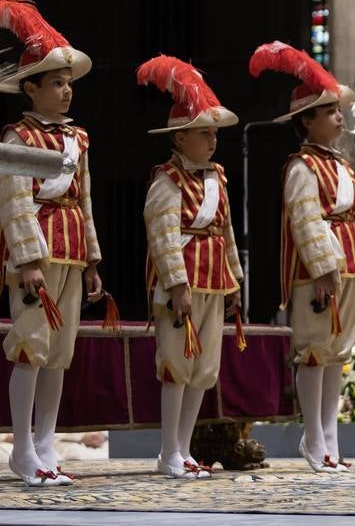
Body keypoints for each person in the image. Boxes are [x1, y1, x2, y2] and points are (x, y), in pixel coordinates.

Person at [0, 0, 105, 488]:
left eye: (69, 82)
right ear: (30, 89)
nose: (66, 90)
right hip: (38, 255)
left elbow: (84, 200)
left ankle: (47, 442)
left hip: (71, 253)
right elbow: (14, 201)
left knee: (59, 352)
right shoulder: (18, 136)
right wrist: (27, 259)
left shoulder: (78, 139)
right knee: (31, 347)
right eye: (56, 82)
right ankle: (22, 447)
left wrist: (92, 260)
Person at [250, 40, 355, 472]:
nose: (340, 117)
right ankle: (313, 438)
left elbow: (350, 220)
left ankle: (331, 438)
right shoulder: (301, 167)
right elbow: (305, 220)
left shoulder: (341, 165)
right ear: (307, 121)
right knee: (314, 352)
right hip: (318, 274)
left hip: (350, 266)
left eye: (339, 109)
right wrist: (323, 268)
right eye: (331, 111)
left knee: (338, 355)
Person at [137, 55, 244, 479]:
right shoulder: (166, 180)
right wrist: (176, 284)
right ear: (180, 138)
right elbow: (162, 238)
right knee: (176, 365)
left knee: (203, 370)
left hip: (215, 281)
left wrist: (234, 281)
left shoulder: (218, 177)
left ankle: (184, 448)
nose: (212, 140)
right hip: (182, 285)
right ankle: (167, 451)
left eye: (214, 133)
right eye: (204, 133)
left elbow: (227, 233)